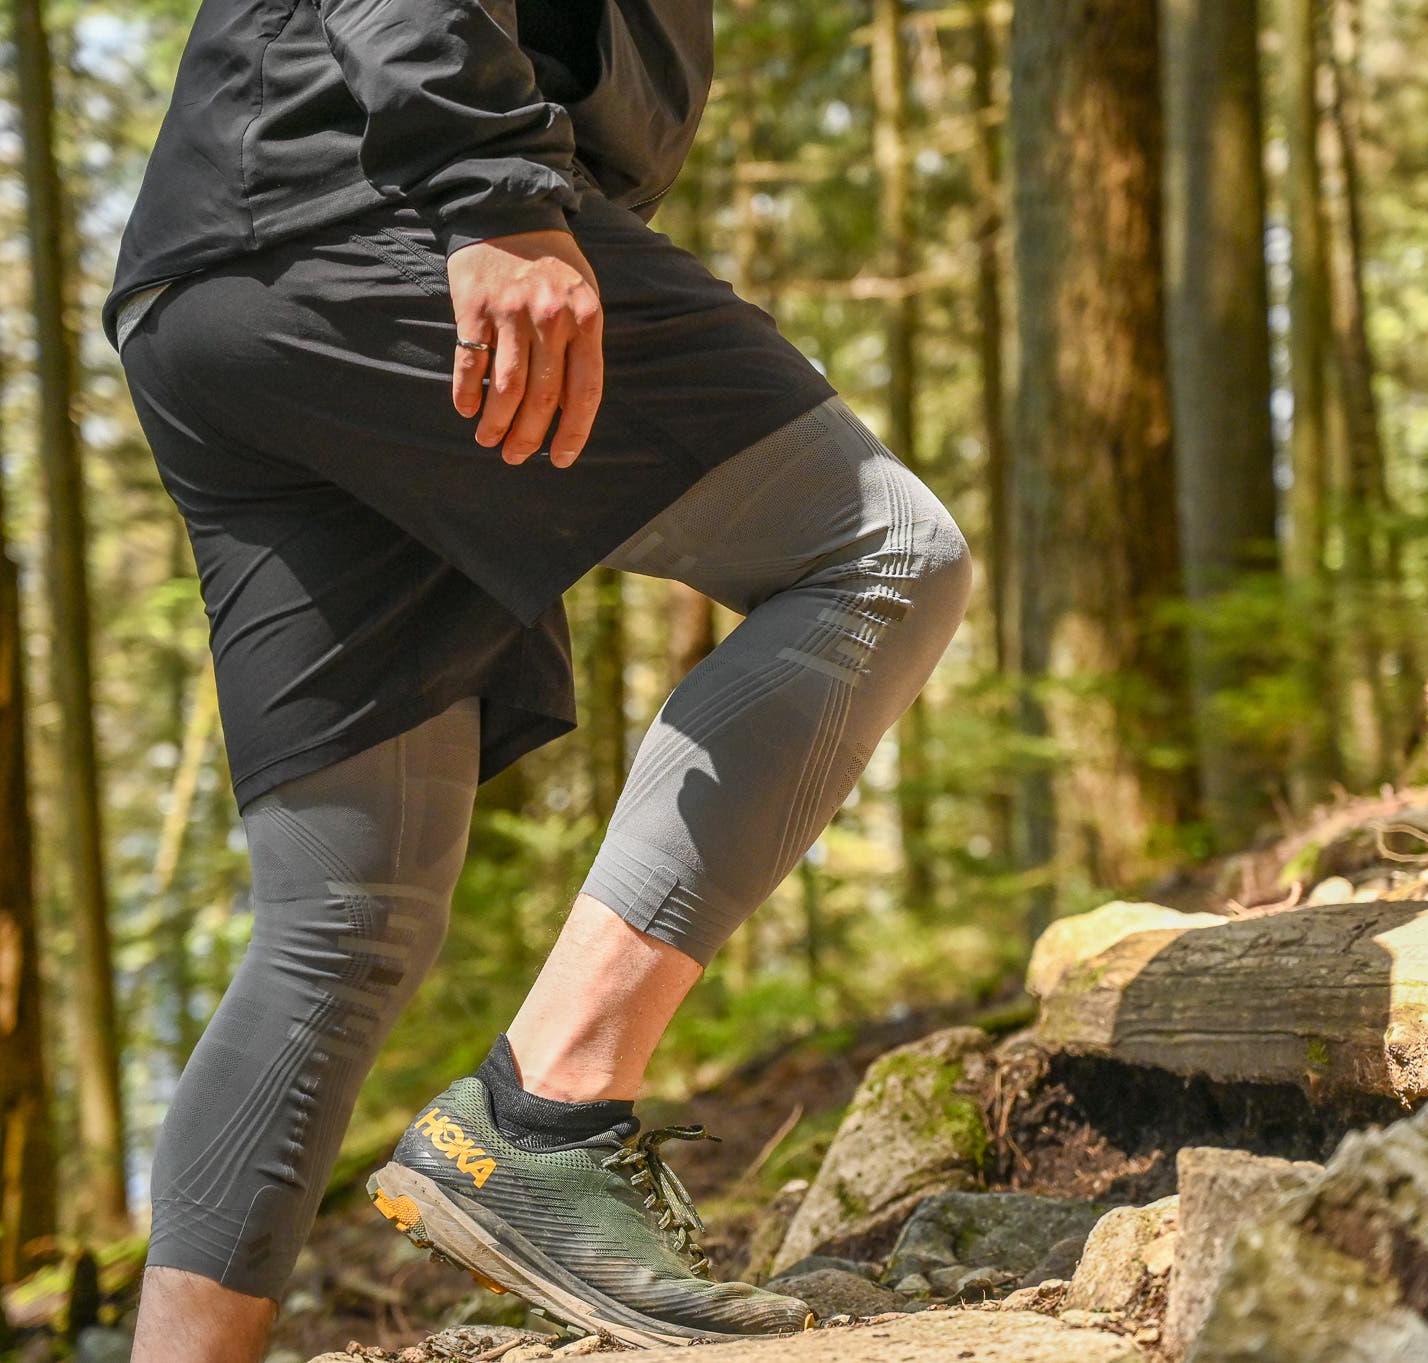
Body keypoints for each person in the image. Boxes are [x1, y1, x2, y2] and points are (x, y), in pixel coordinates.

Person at [105, 0, 972, 1356]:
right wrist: (496, 196)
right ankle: (545, 1114)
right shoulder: (457, 182)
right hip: (372, 202)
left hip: (216, 276)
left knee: (344, 916)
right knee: (879, 554)